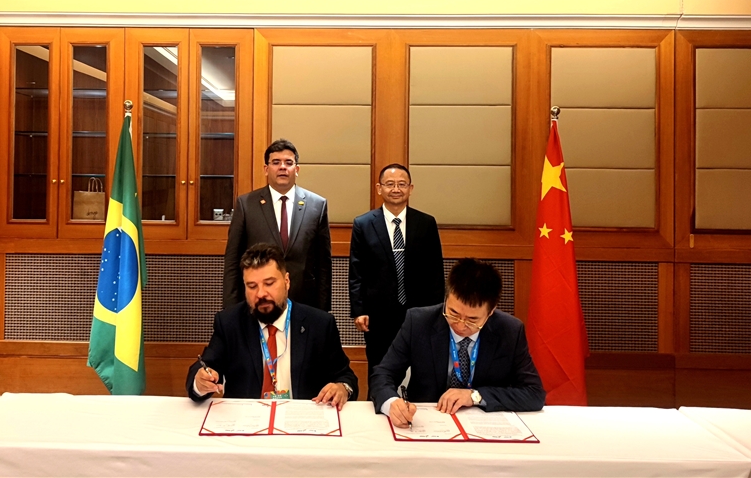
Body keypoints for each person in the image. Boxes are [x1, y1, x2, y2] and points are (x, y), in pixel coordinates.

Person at [370, 258, 546, 427]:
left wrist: (475, 396)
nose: (460, 325)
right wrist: (391, 403)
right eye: (453, 313)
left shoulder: (510, 331)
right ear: (446, 298)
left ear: (491, 311)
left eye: (472, 320)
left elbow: (534, 394)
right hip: (426, 422)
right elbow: (383, 374)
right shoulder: (418, 322)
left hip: (484, 426)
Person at [187, 243, 357, 407]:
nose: (261, 294)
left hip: (300, 419)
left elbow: (346, 377)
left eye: (269, 283)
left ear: (287, 281)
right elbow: (204, 368)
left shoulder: (319, 324)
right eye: (252, 286)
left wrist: (342, 388)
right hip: (246, 420)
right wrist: (200, 382)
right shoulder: (229, 323)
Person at [348, 163, 444, 383]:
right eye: (390, 184)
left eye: (402, 184)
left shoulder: (426, 223)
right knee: (380, 368)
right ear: (379, 188)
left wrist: (437, 311)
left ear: (411, 188)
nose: (396, 189)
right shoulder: (363, 224)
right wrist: (358, 310)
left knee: (421, 369)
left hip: (419, 312)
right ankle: (380, 401)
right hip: (378, 314)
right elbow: (356, 272)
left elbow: (435, 272)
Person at [224, 139, 332, 311]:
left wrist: (323, 311)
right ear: (266, 169)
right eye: (276, 162)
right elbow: (232, 261)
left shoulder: (317, 205)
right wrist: (231, 309)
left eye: (288, 163)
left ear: (297, 169)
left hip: (304, 302)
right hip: (259, 301)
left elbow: (323, 265)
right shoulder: (246, 205)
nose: (282, 167)